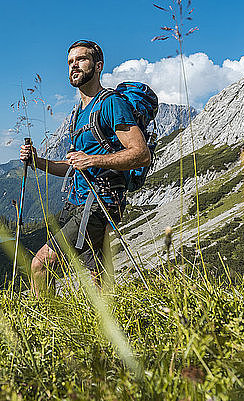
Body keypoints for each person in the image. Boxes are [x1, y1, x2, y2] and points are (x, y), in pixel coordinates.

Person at [19, 40, 151, 296]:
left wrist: (93, 160)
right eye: (70, 62)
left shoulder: (111, 104)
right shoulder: (78, 113)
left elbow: (140, 154)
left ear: (98, 66)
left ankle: (46, 324)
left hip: (99, 201)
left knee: (40, 265)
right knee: (100, 277)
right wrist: (38, 162)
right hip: (78, 202)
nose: (73, 66)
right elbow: (72, 165)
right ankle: (112, 327)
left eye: (81, 60)